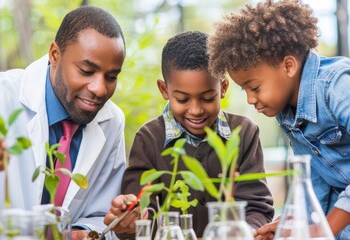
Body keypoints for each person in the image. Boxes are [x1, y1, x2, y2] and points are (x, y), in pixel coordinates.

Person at [0, 6, 126, 239]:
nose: (99, 89)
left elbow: (102, 214)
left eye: (111, 77)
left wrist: (84, 233)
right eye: (87, 70)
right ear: (55, 54)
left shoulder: (111, 121)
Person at [104, 31, 274, 239]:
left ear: (223, 87)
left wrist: (243, 231)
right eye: (183, 100)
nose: (196, 110)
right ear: (164, 90)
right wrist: (129, 222)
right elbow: (139, 217)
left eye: (207, 98)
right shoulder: (148, 139)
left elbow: (257, 206)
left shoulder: (244, 132)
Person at [207, 0, 350, 239]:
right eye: (245, 91)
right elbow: (315, 180)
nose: (251, 100)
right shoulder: (287, 112)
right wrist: (292, 224)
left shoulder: (336, 85)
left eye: (254, 87)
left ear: (288, 65)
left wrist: (320, 230)